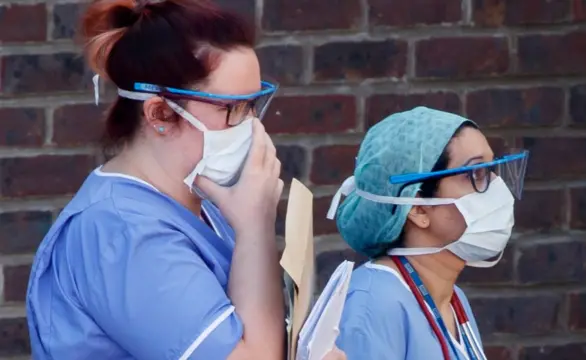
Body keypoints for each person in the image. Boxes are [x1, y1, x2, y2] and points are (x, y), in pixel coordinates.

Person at [25, 0, 346, 359]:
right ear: (160, 113)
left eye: (254, 104)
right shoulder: (120, 232)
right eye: (233, 109)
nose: (252, 125)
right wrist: (255, 225)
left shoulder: (205, 200)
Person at [326, 107, 529, 360]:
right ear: (418, 208)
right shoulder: (372, 305)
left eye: (491, 170)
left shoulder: (453, 300)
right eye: (476, 172)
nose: (494, 186)